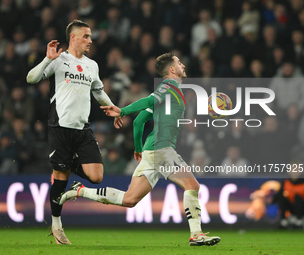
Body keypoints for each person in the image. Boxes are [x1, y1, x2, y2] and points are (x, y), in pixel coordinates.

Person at [58, 52, 221, 246]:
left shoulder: (171, 93)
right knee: (192, 186)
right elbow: (147, 102)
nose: (183, 65)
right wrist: (123, 110)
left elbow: (139, 122)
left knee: (129, 199)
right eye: (179, 62)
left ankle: (81, 191)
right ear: (171, 69)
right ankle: (196, 234)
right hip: (162, 149)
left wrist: (138, 148)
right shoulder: (168, 87)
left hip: (151, 151)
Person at [26, 19, 122, 245]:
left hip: (82, 129)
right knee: (60, 181)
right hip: (59, 128)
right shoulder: (58, 60)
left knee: (97, 176)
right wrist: (46, 59)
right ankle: (57, 226)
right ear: (73, 38)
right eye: (86, 36)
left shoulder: (92, 65)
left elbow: (98, 92)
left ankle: (71, 177)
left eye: (90, 36)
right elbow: (31, 79)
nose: (90, 40)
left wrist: (114, 109)